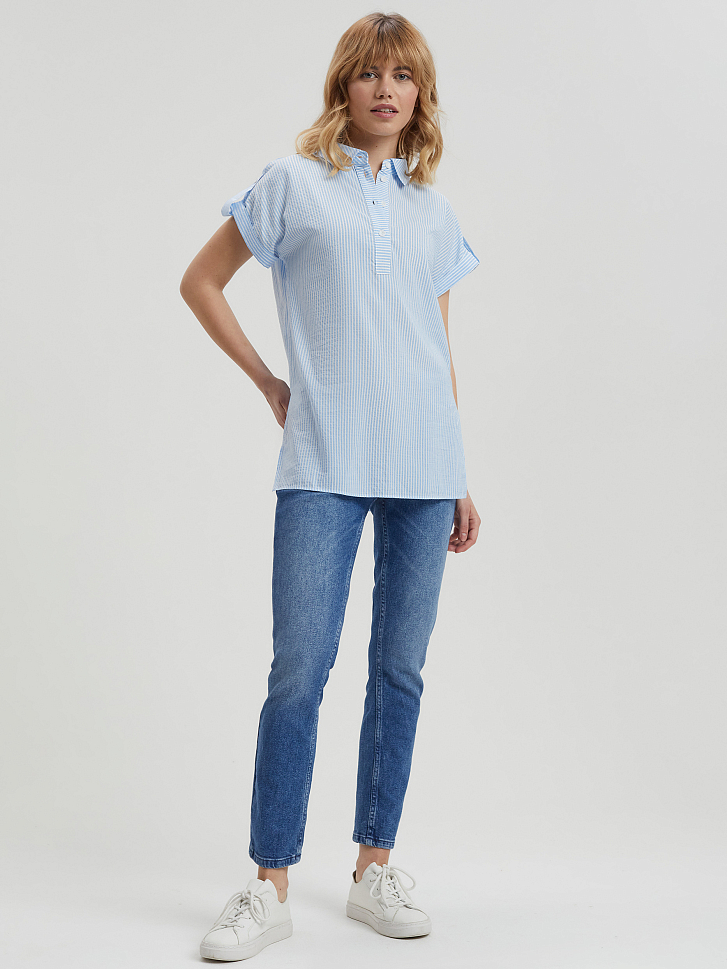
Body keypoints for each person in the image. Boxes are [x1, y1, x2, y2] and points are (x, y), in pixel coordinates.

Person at [180, 11, 481, 962]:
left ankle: (371, 867)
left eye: (403, 75)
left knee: (399, 672)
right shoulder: (291, 184)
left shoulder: (433, 211)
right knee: (298, 671)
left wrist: (458, 471)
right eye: (369, 73)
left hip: (423, 468)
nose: (386, 89)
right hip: (323, 462)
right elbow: (200, 281)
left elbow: (435, 347)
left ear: (420, 95)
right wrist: (270, 383)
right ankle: (268, 883)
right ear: (342, 86)